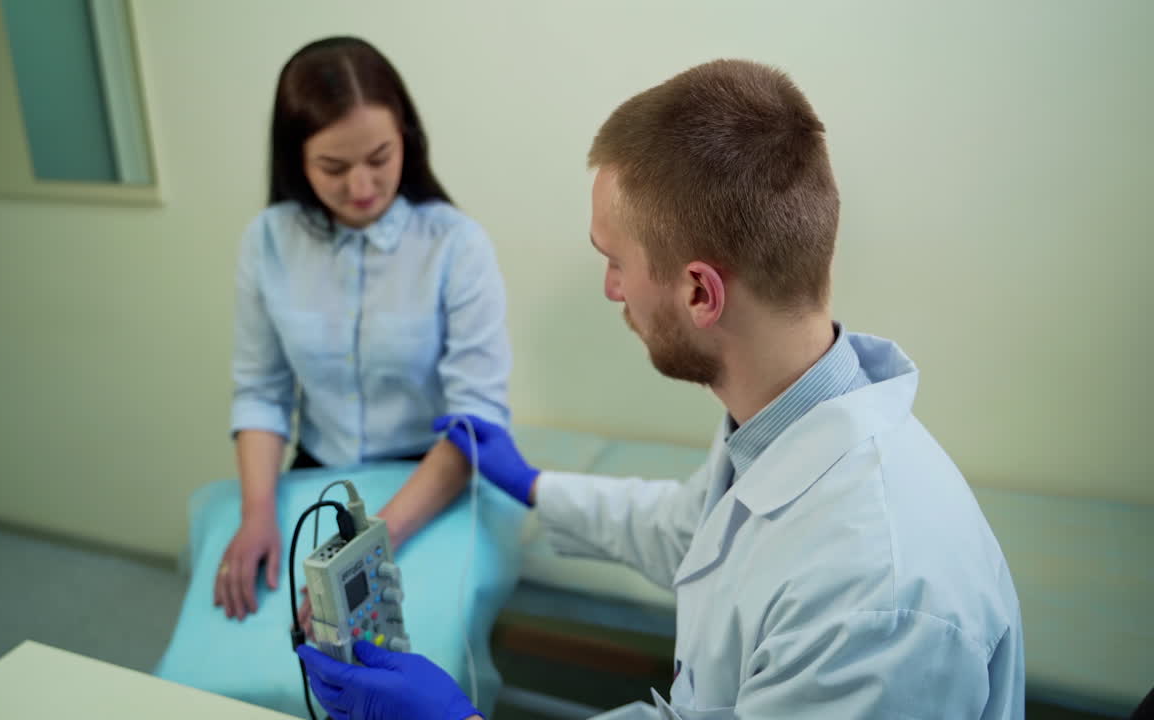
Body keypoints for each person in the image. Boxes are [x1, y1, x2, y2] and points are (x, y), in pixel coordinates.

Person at [296, 58, 1026, 719]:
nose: (611, 290)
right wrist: (533, 485)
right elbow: (693, 531)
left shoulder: (876, 604)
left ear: (700, 293)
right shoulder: (785, 409)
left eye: (614, 261)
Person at [216, 35, 511, 625]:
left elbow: (474, 422)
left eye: (379, 158)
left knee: (404, 645)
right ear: (296, 159)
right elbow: (261, 393)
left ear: (406, 137)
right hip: (319, 474)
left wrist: (373, 545)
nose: (361, 187)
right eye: (333, 167)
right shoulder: (268, 240)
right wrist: (257, 512)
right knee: (267, 631)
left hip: (431, 482)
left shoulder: (456, 245)